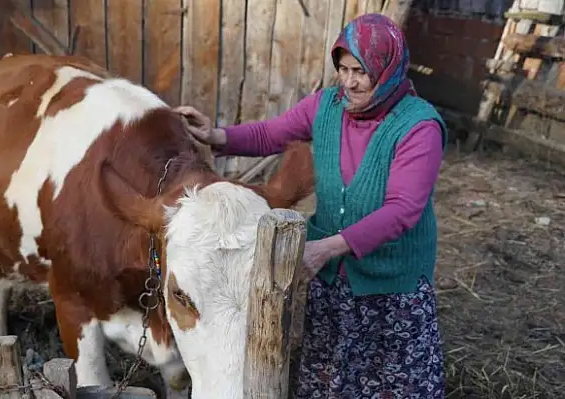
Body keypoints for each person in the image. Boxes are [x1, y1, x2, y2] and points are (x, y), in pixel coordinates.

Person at [174, 13, 446, 399]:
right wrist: (216, 134)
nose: (349, 82)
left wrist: (328, 247)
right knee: (329, 377)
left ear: (388, 71)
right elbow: (272, 133)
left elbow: (403, 210)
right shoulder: (328, 105)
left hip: (391, 284)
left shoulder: (419, 127)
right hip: (336, 278)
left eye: (361, 72)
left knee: (392, 383)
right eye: (343, 69)